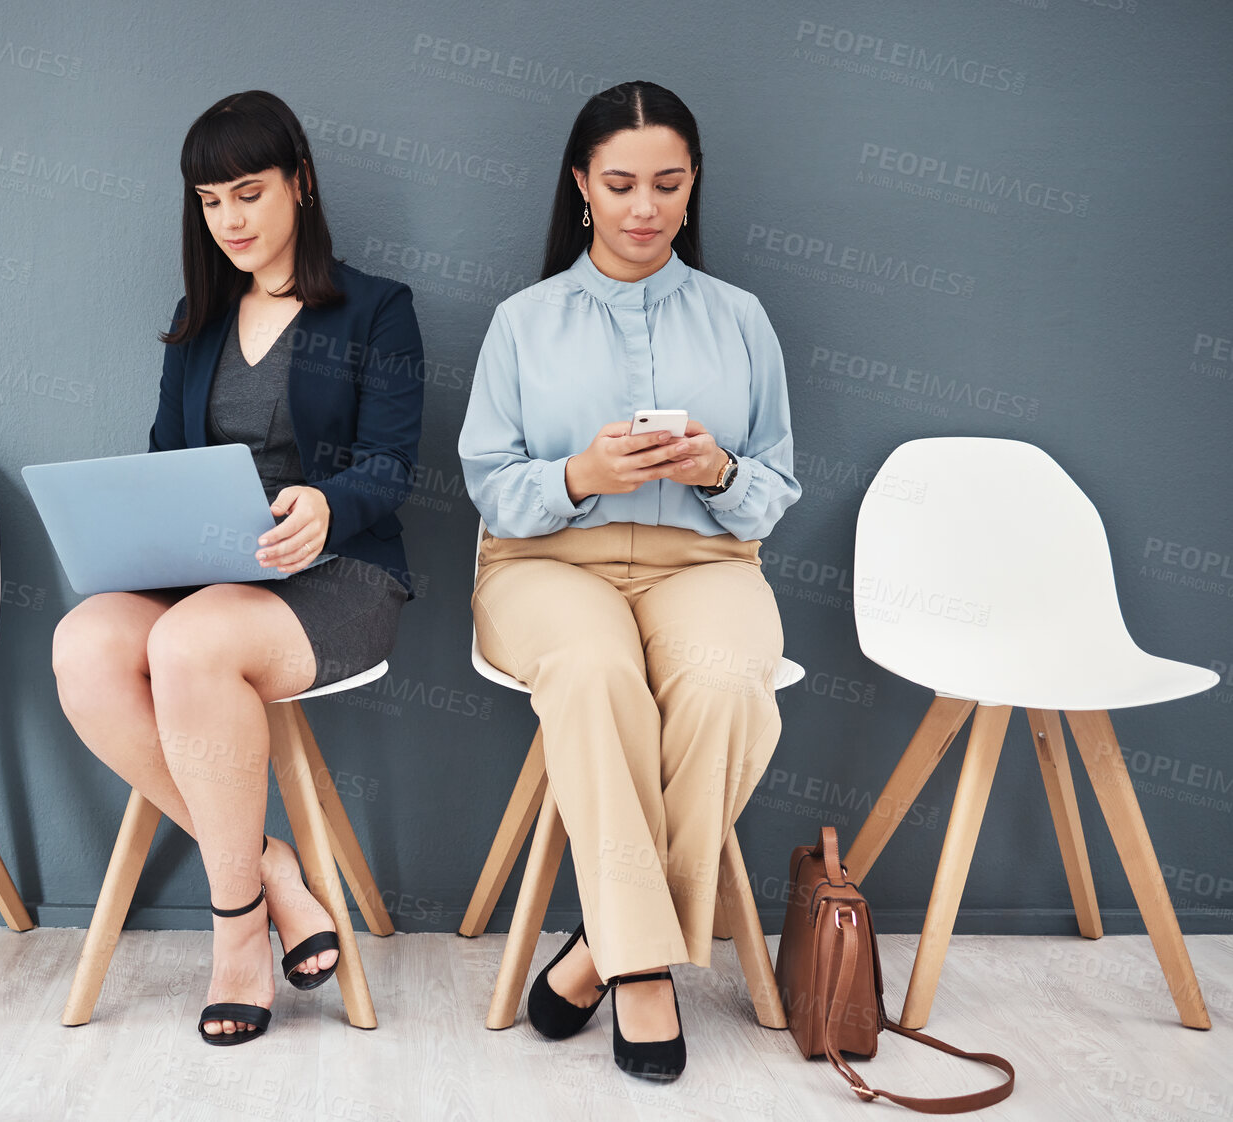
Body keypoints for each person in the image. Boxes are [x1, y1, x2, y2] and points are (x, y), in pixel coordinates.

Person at [52, 90, 424, 1046]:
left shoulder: (378, 310)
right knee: (85, 643)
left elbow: (393, 465)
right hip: (207, 572)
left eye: (249, 194)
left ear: (300, 182)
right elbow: (164, 455)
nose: (231, 221)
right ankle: (273, 870)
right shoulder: (198, 319)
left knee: (188, 647)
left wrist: (330, 503)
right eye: (211, 202)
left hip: (336, 575)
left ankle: (237, 937)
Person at [458, 79, 799, 1082]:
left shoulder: (741, 319)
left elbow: (774, 483)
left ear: (693, 190)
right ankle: (643, 967)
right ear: (582, 187)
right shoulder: (522, 322)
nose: (644, 207)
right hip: (545, 563)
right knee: (597, 676)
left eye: (668, 183)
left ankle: (604, 945)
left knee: (728, 685)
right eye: (620, 184)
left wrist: (721, 473)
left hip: (705, 558)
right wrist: (579, 476)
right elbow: (488, 484)